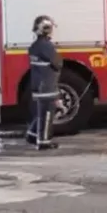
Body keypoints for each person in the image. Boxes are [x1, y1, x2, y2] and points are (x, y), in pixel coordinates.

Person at [26, 15, 63, 149]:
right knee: (47, 114)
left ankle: (32, 134)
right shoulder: (46, 46)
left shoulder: (34, 46)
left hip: (38, 85)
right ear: (46, 29)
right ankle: (44, 142)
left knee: (41, 113)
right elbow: (57, 63)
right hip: (47, 87)